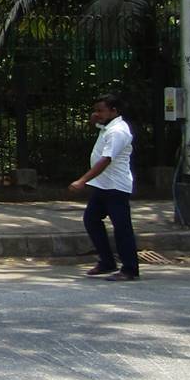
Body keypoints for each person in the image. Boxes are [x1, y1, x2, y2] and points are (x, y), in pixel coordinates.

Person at [69, 94, 138, 279]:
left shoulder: (118, 132)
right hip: (103, 185)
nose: (97, 114)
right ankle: (107, 262)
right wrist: (94, 122)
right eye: (96, 110)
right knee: (91, 220)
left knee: (122, 227)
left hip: (116, 187)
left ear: (114, 111)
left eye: (101, 110)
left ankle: (130, 269)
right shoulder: (109, 126)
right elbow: (98, 127)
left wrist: (82, 180)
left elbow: (106, 160)